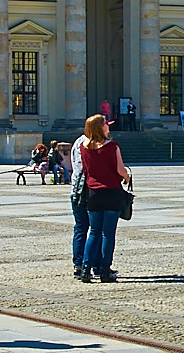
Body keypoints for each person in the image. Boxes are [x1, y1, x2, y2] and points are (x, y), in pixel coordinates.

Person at [78, 113, 131, 283]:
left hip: (93, 193)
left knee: (93, 232)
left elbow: (86, 170)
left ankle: (85, 269)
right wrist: (127, 177)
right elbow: (120, 169)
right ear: (100, 127)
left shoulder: (84, 147)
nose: (108, 126)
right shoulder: (112, 146)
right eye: (106, 124)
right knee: (108, 233)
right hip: (111, 192)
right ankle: (105, 270)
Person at [69, 129, 90, 278]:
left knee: (81, 228)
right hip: (88, 190)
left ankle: (79, 264)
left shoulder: (78, 142)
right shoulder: (91, 144)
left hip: (76, 189)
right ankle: (93, 265)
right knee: (96, 230)